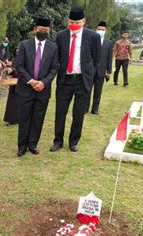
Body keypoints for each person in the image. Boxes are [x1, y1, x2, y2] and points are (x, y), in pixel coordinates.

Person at [50, 7, 101, 153]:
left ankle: (73, 142)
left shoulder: (93, 37)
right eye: (71, 22)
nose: (74, 24)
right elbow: (57, 58)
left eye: (77, 22)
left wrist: (89, 76)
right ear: (68, 21)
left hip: (82, 80)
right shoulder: (61, 36)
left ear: (83, 21)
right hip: (65, 80)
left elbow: (96, 59)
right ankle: (58, 141)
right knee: (60, 112)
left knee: (78, 113)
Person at [14, 17, 58, 156]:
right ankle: (22, 145)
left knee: (38, 118)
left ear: (49, 30)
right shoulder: (25, 45)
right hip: (26, 88)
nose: (43, 32)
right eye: (40, 30)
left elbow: (54, 69)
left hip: (43, 90)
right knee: (24, 118)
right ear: (35, 30)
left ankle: (33, 144)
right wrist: (31, 81)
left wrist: (43, 82)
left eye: (45, 30)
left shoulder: (53, 48)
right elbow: (19, 66)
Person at [88, 21, 113, 115]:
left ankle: (95, 109)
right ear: (96, 30)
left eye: (102, 30)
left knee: (98, 92)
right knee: (87, 90)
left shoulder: (109, 43)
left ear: (105, 31)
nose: (100, 31)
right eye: (99, 29)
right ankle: (85, 108)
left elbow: (109, 58)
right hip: (90, 70)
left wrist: (109, 71)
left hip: (101, 71)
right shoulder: (91, 41)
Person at [3, 48, 20, 126]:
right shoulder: (15, 60)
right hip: (13, 84)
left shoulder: (26, 60)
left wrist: (14, 70)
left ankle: (19, 119)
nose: (17, 51)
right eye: (16, 49)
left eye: (19, 49)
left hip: (21, 83)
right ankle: (10, 119)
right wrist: (10, 71)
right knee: (11, 102)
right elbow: (12, 70)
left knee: (20, 102)